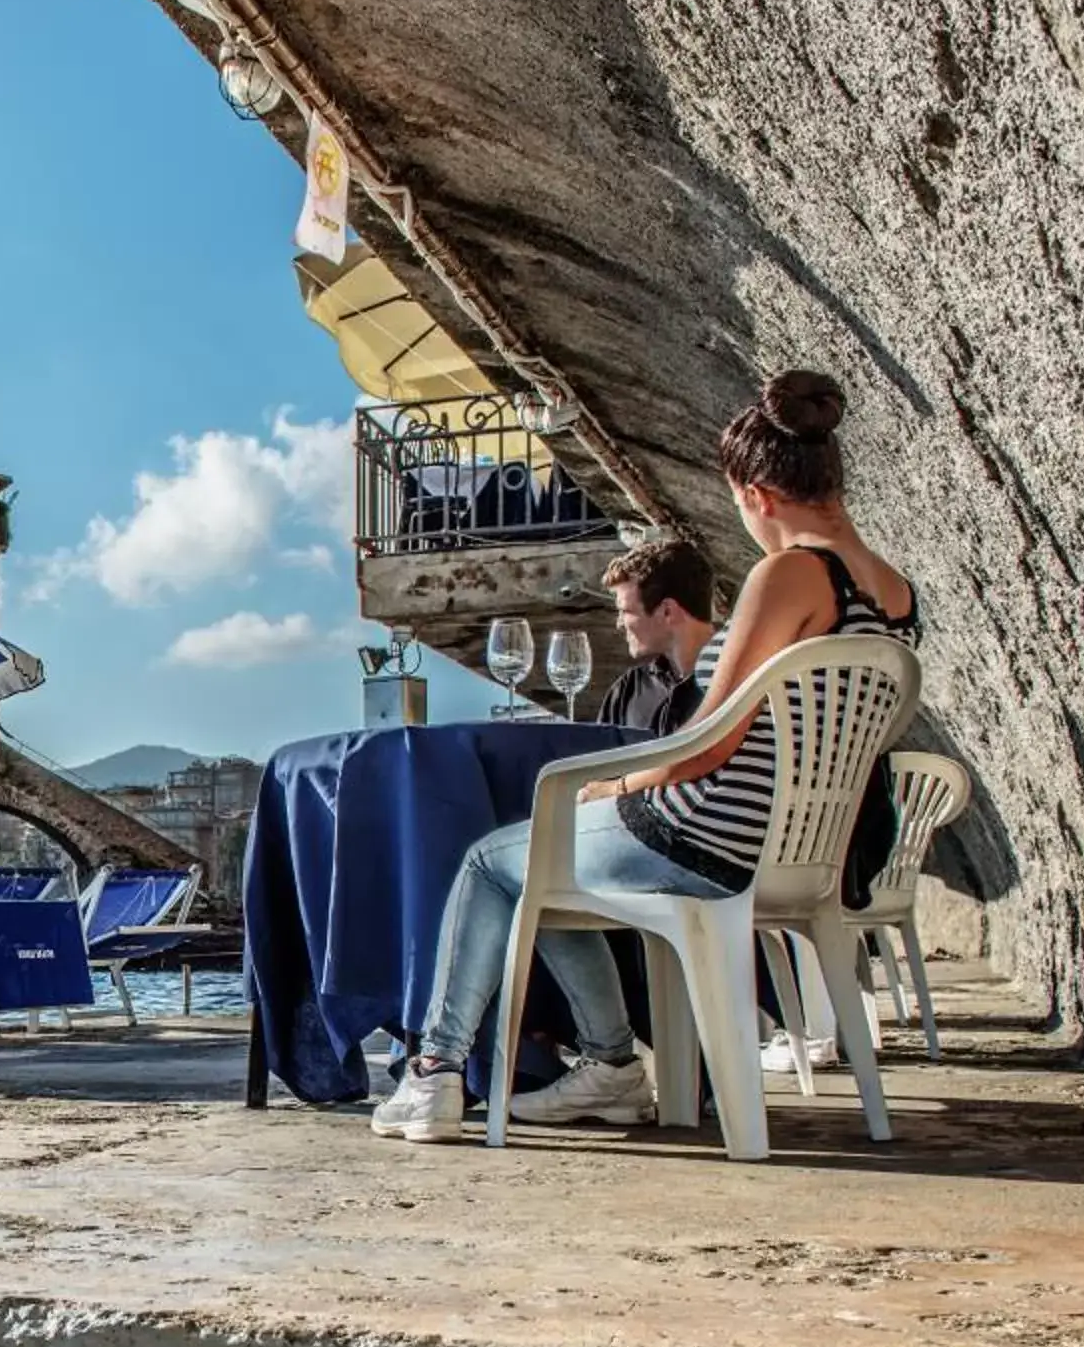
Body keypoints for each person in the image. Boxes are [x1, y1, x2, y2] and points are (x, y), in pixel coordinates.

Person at [377, 369, 921, 1142]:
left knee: (491, 861)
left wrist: (618, 785)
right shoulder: (896, 596)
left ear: (758, 495)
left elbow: (709, 742)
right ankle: (609, 1069)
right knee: (540, 853)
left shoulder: (789, 574)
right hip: (802, 846)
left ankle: (439, 1074)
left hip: (711, 836)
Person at [593, 537, 720, 735]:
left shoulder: (734, 684)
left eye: (626, 611)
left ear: (667, 611)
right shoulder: (628, 690)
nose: (619, 624)